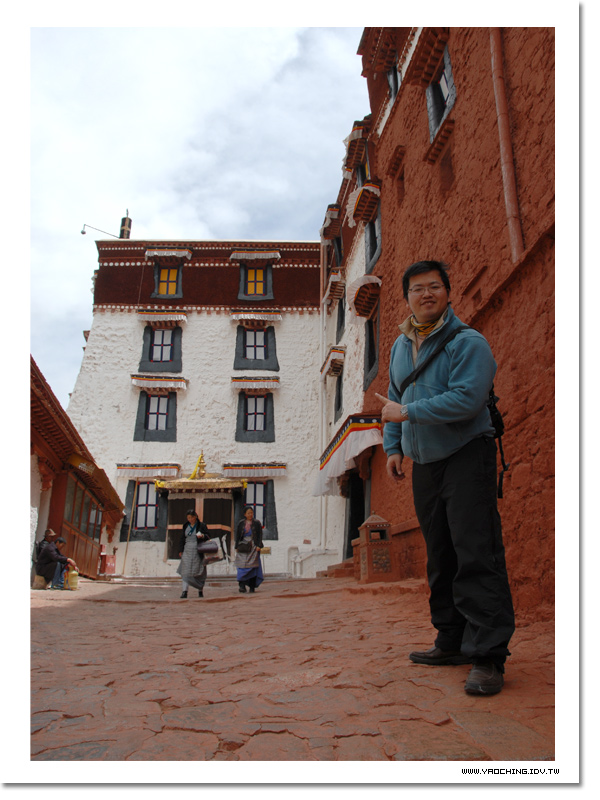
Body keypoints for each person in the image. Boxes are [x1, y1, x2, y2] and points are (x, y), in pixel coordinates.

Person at [376, 260, 515, 696]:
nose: (426, 294)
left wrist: (407, 414)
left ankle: (488, 656)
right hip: (425, 463)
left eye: (434, 286)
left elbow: (467, 399)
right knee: (440, 555)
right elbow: (394, 396)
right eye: (417, 288)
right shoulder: (401, 346)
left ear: (448, 293)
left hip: (466, 455)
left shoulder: (468, 342)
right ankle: (451, 639)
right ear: (407, 298)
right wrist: (394, 447)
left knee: (476, 552)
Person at [177, 509, 211, 599]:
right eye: (188, 518)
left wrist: (202, 536)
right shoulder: (185, 526)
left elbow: (208, 536)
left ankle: (200, 590)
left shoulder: (202, 525)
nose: (190, 519)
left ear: (195, 517)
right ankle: (184, 591)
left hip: (198, 550)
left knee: (199, 571)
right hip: (187, 550)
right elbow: (182, 538)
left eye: (192, 517)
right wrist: (180, 550)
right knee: (185, 571)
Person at [234, 506, 264, 593]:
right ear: (245, 514)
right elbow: (238, 535)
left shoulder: (257, 523)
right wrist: (236, 546)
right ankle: (242, 585)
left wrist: (258, 545)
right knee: (241, 566)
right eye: (248, 513)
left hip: (253, 546)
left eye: (251, 513)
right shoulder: (241, 523)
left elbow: (259, 535)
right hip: (243, 546)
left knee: (252, 567)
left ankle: (252, 586)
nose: (250, 514)